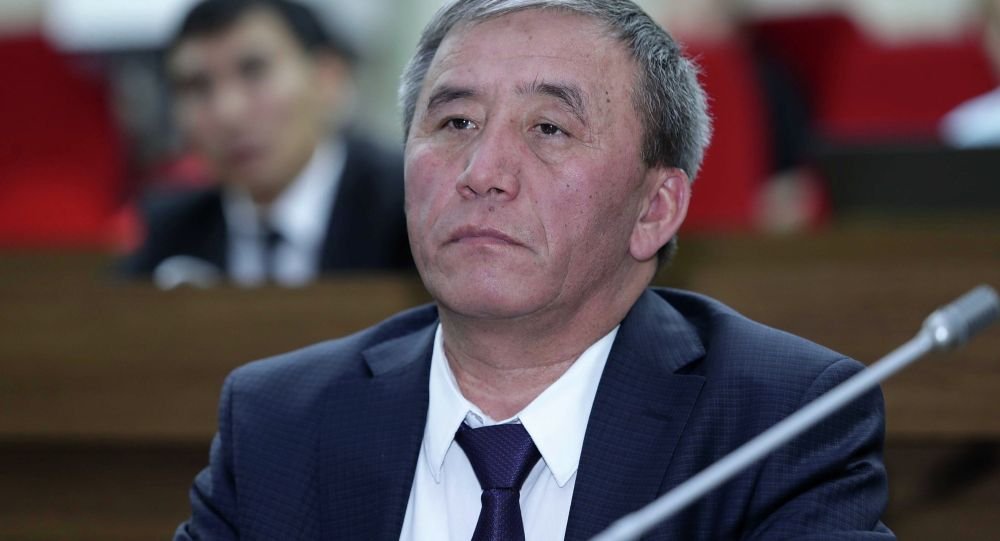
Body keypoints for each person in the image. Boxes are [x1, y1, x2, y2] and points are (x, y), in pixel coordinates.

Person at [176, 0, 894, 538]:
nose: (482, 172)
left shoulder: (781, 424)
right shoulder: (278, 423)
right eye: (455, 123)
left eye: (549, 128)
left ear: (655, 209)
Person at [120, 0, 411, 288]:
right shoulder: (171, 233)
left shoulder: (406, 211)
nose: (228, 112)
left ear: (328, 79)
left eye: (254, 72)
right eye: (198, 86)